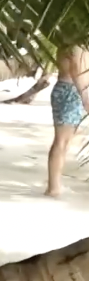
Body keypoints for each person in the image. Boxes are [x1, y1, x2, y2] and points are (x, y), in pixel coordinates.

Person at [46, 45, 89, 197]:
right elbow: (77, 69)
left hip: (69, 91)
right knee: (61, 141)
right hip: (70, 91)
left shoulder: (69, 41)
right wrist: (84, 95)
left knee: (65, 142)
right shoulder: (75, 44)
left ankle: (55, 184)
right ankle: (53, 187)